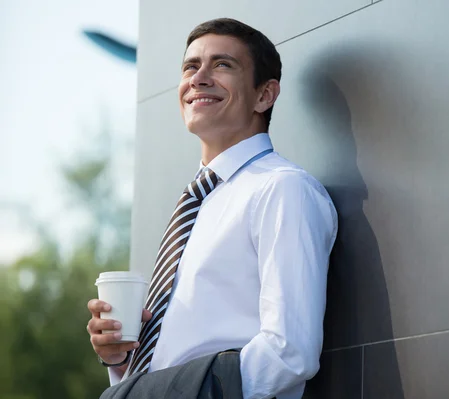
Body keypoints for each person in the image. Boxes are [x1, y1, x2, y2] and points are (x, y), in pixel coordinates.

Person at [86, 18, 338, 399]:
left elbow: (290, 352)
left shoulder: (282, 189)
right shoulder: (194, 206)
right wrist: (121, 362)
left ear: (264, 96)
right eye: (190, 66)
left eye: (222, 65)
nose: (198, 78)